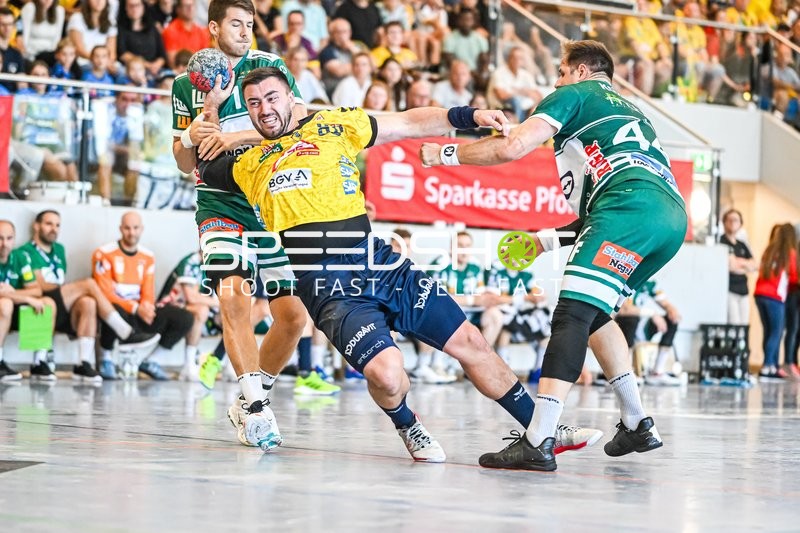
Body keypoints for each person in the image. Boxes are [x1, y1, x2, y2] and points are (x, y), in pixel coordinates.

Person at [197, 66, 603, 462]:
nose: (264, 108)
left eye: (271, 98)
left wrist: (471, 116)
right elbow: (195, 158)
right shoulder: (246, 163)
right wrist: (210, 114)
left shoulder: (335, 124)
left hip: (379, 262)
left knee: (472, 342)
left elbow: (410, 122)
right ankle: (408, 424)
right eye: (253, 103)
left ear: (290, 96)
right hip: (328, 287)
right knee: (388, 377)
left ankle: (543, 430)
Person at [421, 40, 687, 470]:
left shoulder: (574, 94)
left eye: (561, 72)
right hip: (669, 219)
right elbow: (601, 211)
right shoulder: (635, 112)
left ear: (581, 72)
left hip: (627, 207)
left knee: (571, 316)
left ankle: (539, 438)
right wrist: (543, 241)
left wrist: (445, 154)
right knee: (596, 315)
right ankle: (638, 422)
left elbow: (512, 147)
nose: (556, 80)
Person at [171, 0, 309, 450]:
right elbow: (183, 161)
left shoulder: (269, 66)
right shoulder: (184, 84)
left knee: (293, 316)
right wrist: (195, 130)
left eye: (250, 24)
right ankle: (256, 408)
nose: (246, 30)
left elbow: (294, 123)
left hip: (269, 201)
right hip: (218, 204)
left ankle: (251, 397)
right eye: (236, 23)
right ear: (213, 27)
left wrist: (233, 137)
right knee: (234, 300)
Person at [18, 210, 160, 383]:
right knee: (89, 284)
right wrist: (73, 288)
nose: (54, 229)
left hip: (62, 302)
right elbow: (38, 285)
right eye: (48, 224)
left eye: (57, 225)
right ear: (36, 226)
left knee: (88, 302)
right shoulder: (24, 252)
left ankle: (83, 364)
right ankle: (124, 332)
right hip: (42, 301)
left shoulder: (59, 250)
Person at [92, 212, 194, 380]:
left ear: (142, 229)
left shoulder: (147, 256)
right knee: (112, 309)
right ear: (120, 229)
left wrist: (146, 307)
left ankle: (151, 361)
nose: (131, 232)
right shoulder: (103, 253)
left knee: (184, 318)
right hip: (118, 310)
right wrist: (136, 308)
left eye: (135, 228)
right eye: (127, 228)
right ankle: (105, 358)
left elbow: (148, 290)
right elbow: (105, 293)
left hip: (138, 313)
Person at [0, 220, 56, 383]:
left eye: (9, 238)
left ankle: (39, 361)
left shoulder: (20, 257)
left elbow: (36, 290)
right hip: (4, 308)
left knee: (47, 303)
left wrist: (14, 293)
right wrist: (25, 298)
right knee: (5, 304)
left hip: (15, 310)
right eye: (0, 238)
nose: (4, 244)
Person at [614, 280, 684, 386]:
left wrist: (672, 311)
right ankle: (626, 372)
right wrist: (653, 313)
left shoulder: (650, 284)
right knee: (631, 319)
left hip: (640, 327)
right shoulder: (627, 280)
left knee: (672, 321)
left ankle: (657, 372)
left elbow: (666, 304)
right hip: (621, 324)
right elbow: (624, 310)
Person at [754, 223, 797, 381]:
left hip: (759, 294)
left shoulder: (769, 250)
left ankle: (771, 365)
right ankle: (767, 366)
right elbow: (793, 276)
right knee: (776, 332)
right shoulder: (789, 253)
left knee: (768, 331)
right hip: (775, 297)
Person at [720, 209, 757, 326]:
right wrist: (745, 265)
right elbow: (731, 266)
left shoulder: (742, 244)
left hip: (744, 291)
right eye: (729, 220)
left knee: (744, 325)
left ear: (740, 223)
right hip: (729, 289)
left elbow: (755, 265)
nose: (732, 222)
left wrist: (739, 263)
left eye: (735, 220)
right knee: (734, 325)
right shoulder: (721, 241)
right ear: (724, 222)